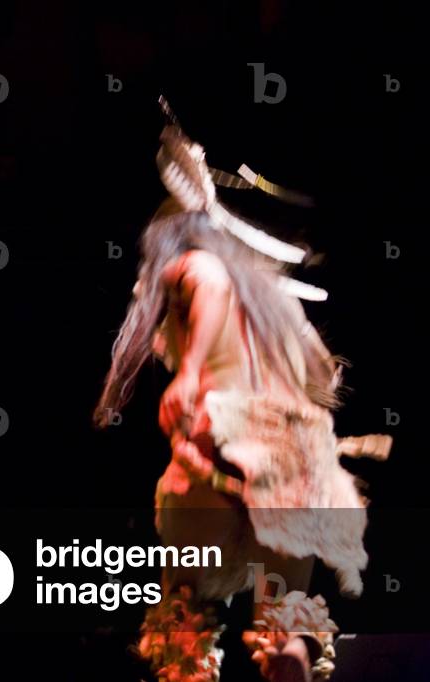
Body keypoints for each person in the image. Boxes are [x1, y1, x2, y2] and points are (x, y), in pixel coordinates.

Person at [94, 100, 391, 682]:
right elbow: (322, 371)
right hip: (293, 462)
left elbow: (210, 287)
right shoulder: (277, 297)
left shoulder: (194, 264)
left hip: (218, 446)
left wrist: (190, 370)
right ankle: (290, 656)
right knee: (285, 626)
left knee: (185, 621)